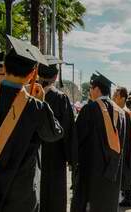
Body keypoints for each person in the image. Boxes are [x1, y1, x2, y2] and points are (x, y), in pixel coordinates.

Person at [0, 35, 63, 212]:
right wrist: (42, 102)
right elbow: (53, 134)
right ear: (32, 75)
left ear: (4, 66)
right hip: (20, 195)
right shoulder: (35, 107)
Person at [71, 72, 128, 211]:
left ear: (97, 89)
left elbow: (77, 137)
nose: (90, 92)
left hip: (91, 169)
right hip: (113, 170)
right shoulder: (120, 112)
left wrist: (72, 159)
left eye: (91, 88)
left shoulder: (90, 109)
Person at [38, 55, 76, 212]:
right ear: (55, 76)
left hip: (33, 154)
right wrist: (71, 157)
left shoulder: (28, 94)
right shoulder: (60, 97)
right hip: (55, 155)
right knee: (54, 195)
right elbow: (68, 130)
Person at [111, 87, 131, 207]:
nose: (113, 97)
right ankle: (127, 197)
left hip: (126, 147)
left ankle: (128, 198)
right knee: (126, 172)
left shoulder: (125, 112)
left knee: (126, 172)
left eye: (116, 95)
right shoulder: (126, 111)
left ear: (123, 98)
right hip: (127, 146)